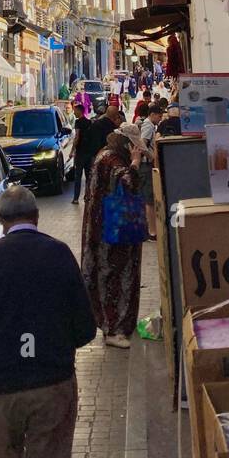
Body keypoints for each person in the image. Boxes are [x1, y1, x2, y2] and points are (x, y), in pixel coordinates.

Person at [0, 185, 96, 458]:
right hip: (51, 380)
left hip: (0, 385)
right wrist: (62, 345)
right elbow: (85, 326)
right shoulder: (59, 253)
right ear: (37, 216)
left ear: (2, 221)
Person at [80, 125, 146, 348]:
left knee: (112, 274)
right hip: (112, 230)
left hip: (107, 226)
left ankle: (116, 325)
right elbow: (128, 182)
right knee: (114, 275)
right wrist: (135, 163)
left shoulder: (104, 155)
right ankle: (114, 328)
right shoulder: (112, 160)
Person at [139, 106, 163, 239]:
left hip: (145, 165)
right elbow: (142, 144)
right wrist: (152, 157)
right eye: (159, 117)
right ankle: (151, 231)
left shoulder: (148, 125)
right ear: (153, 114)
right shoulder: (148, 126)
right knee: (149, 199)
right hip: (146, 166)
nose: (160, 120)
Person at [70, 101, 93, 204]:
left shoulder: (78, 122)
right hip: (88, 152)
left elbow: (77, 137)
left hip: (80, 153)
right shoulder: (89, 122)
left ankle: (75, 198)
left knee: (78, 176)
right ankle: (88, 196)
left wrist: (72, 150)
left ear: (79, 111)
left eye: (75, 110)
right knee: (88, 176)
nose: (74, 112)